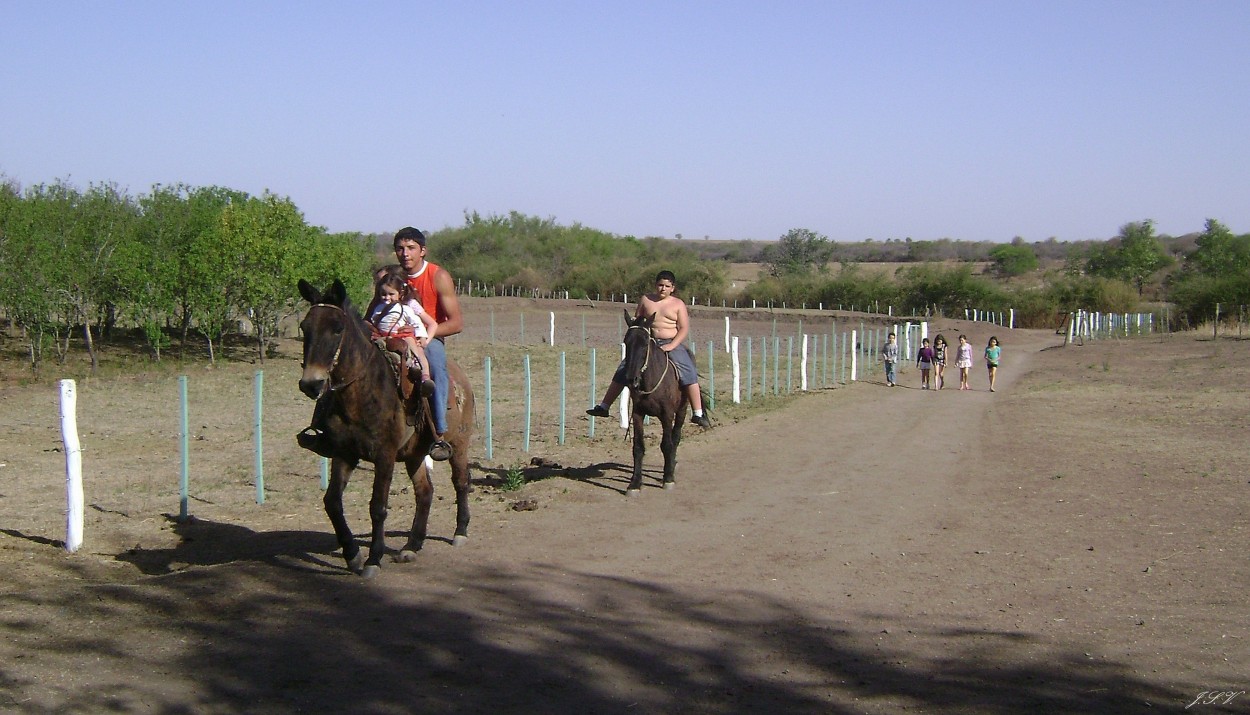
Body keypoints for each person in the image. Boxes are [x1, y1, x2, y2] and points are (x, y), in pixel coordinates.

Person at [586, 270, 711, 428]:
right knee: (624, 368)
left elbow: (684, 328)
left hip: (671, 342)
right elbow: (638, 321)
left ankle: (698, 413)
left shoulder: (678, 304)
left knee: (689, 370)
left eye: (667, 286)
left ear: (673, 288)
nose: (663, 289)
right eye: (660, 285)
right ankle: (604, 406)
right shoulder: (646, 300)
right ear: (655, 285)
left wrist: (671, 346)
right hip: (648, 343)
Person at [393, 226, 464, 461]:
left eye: (411, 248)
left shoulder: (437, 276)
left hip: (428, 337)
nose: (405, 253)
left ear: (422, 251)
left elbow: (455, 323)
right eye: (400, 248)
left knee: (435, 365)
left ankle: (439, 430)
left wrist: (426, 336)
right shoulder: (391, 278)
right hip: (393, 336)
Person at [368, 271, 437, 397]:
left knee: (418, 352)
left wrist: (422, 337)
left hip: (402, 336)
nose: (387, 297)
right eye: (383, 294)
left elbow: (417, 323)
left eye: (391, 294)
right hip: (383, 336)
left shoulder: (406, 308)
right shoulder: (378, 307)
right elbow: (372, 321)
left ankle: (423, 376)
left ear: (400, 294)